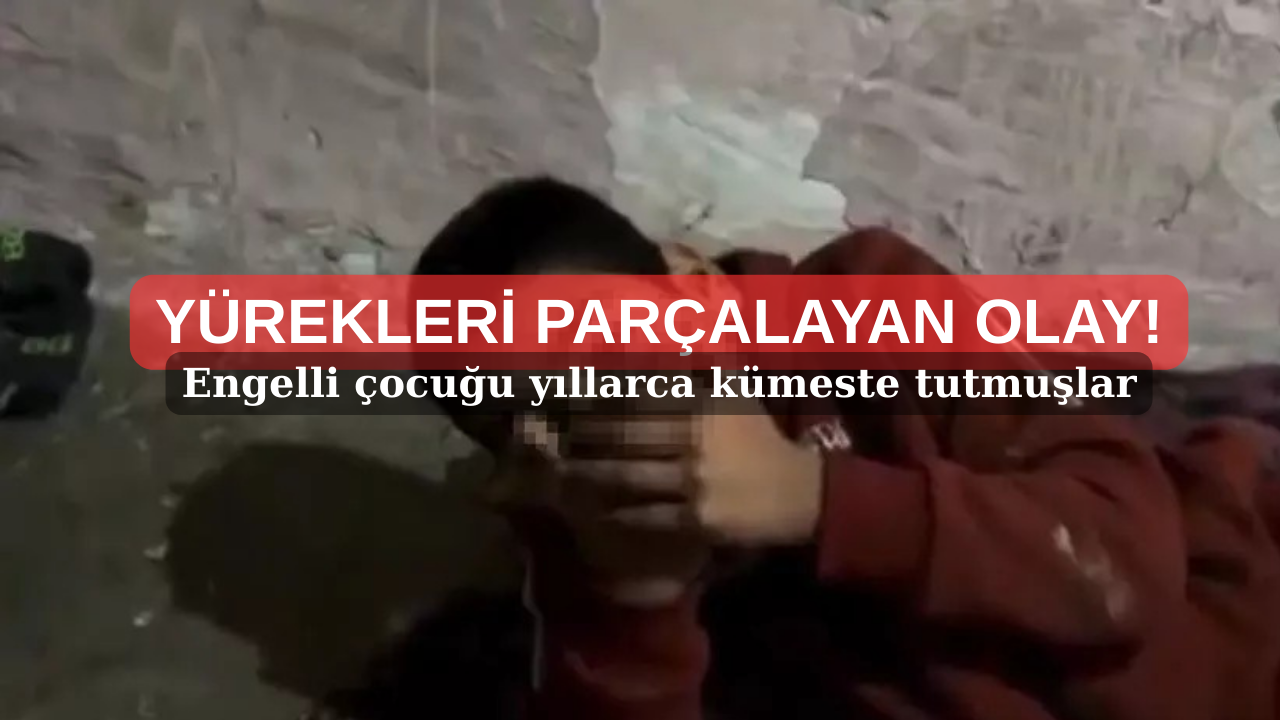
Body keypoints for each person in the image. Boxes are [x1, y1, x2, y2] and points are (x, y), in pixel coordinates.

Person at [412, 177, 1280, 720]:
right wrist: (639, 597)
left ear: (696, 294)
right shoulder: (584, 532)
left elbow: (1121, 566)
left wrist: (812, 496)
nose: (573, 430)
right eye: (511, 423)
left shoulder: (863, 306)